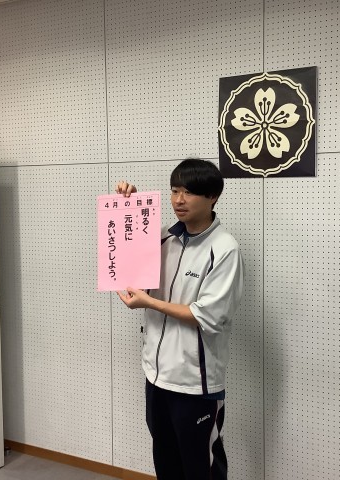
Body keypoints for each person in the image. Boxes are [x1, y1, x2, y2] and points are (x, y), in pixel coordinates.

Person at [116, 158, 244, 480]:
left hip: (195, 384)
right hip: (156, 376)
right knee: (166, 463)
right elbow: (131, 266)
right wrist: (129, 206)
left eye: (188, 192)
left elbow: (206, 315)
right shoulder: (163, 238)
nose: (178, 200)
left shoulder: (224, 248)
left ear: (213, 197)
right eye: (174, 191)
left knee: (201, 468)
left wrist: (150, 303)